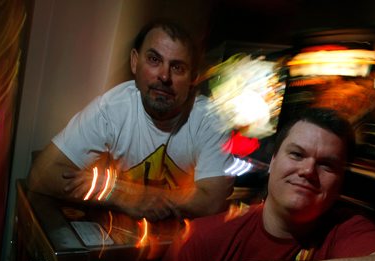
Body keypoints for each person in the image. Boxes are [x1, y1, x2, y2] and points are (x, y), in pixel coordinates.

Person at [146, 107, 375, 261]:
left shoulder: (343, 231)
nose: (308, 170)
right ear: (272, 162)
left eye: (327, 164)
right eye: (297, 154)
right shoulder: (202, 238)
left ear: (340, 181)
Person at [27, 19, 234, 221]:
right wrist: (119, 196)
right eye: (154, 60)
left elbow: (212, 201)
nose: (164, 76)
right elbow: (41, 175)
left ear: (193, 79)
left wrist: (128, 192)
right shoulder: (112, 108)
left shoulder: (210, 119)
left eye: (177, 67)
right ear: (135, 62)